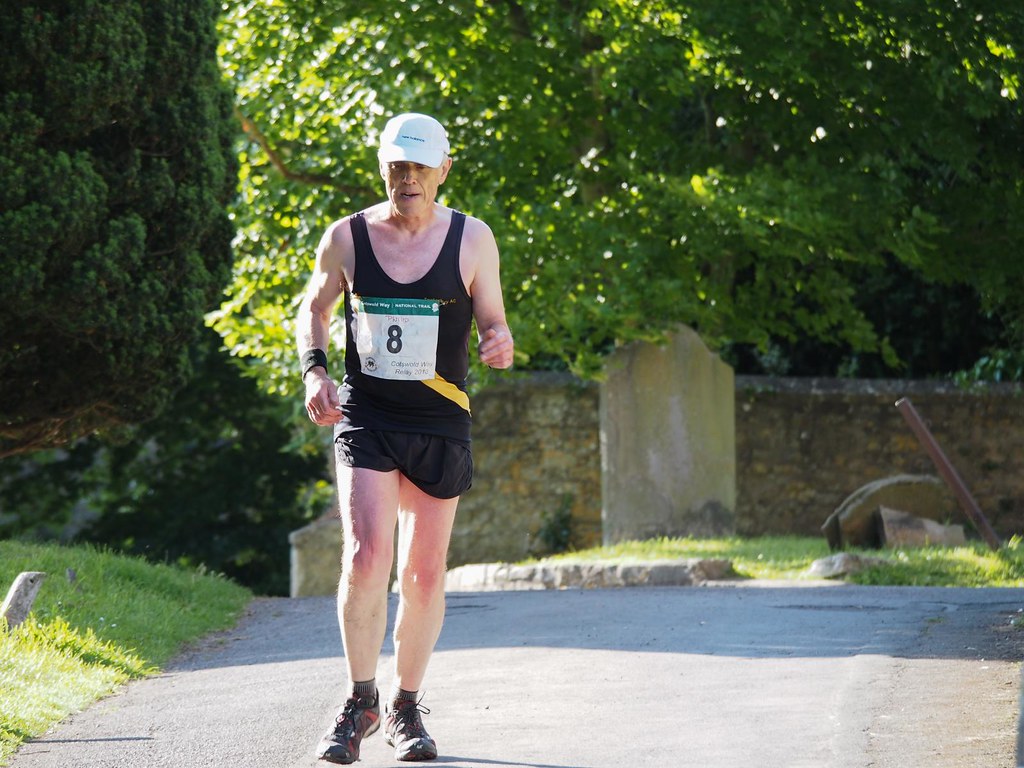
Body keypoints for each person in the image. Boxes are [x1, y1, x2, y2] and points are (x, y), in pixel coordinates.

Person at [296, 112, 514, 764]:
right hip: (368, 415)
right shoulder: (349, 238)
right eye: (397, 166)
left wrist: (499, 342)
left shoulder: (473, 241)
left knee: (421, 575)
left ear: (444, 169)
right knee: (365, 557)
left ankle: (405, 704)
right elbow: (314, 306)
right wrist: (314, 371)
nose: (408, 178)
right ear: (383, 168)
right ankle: (360, 698)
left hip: (439, 420)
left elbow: (494, 323)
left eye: (420, 166)